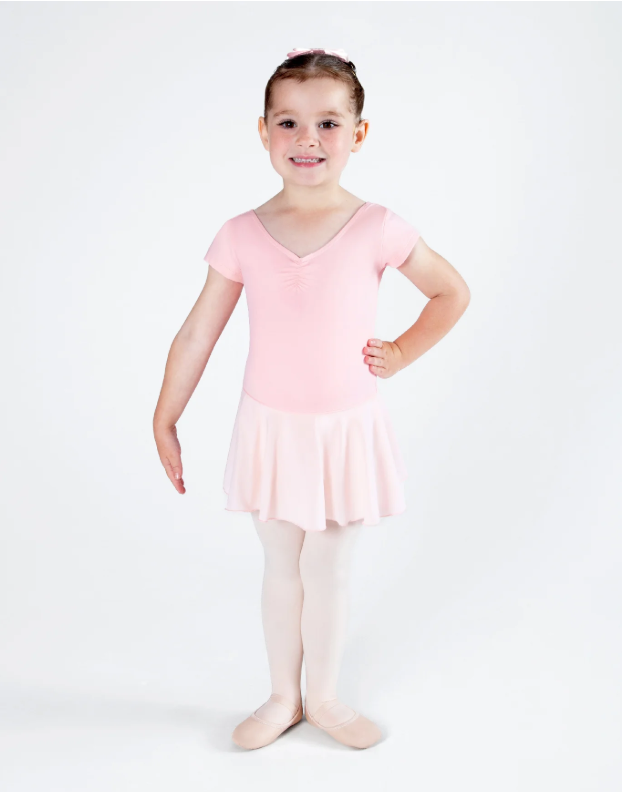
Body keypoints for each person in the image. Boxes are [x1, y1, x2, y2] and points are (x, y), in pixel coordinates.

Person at [153, 47, 471, 750]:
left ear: (358, 133)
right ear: (263, 131)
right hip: (271, 428)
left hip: (342, 432)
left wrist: (402, 351)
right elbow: (197, 333)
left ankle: (324, 697)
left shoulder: (378, 226)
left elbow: (452, 292)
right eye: (290, 123)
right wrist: (165, 414)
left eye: (329, 123)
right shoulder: (241, 233)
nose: (308, 140)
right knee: (279, 566)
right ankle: (281, 694)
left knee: (326, 566)